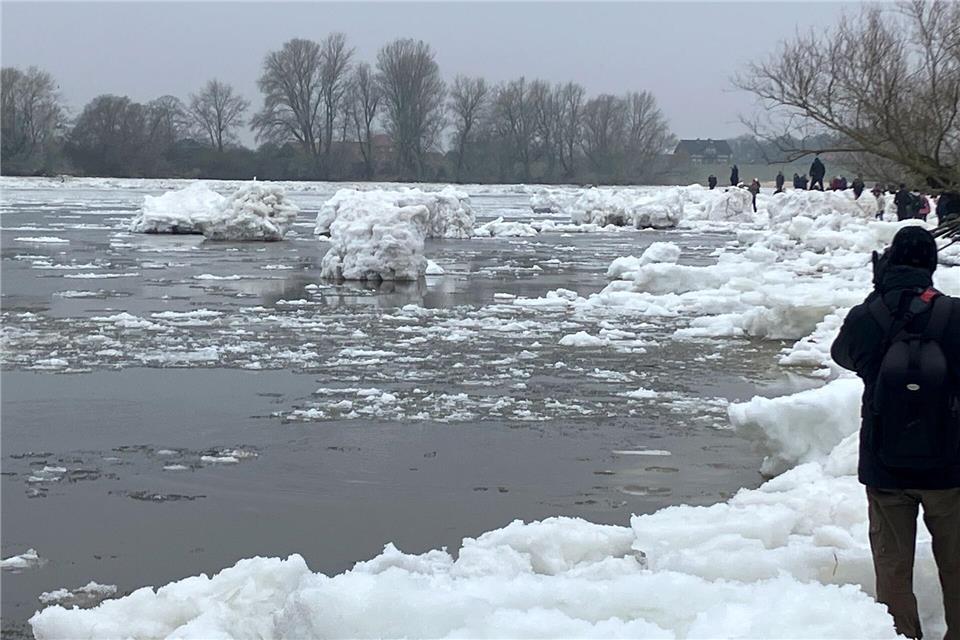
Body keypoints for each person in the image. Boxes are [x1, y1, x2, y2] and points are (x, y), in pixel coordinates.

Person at [831, 226, 959, 640]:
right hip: (951, 466)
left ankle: (902, 634)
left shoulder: (869, 315)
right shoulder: (955, 314)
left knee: (892, 566)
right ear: (932, 266)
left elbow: (844, 355)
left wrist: (877, 298)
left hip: (885, 465)